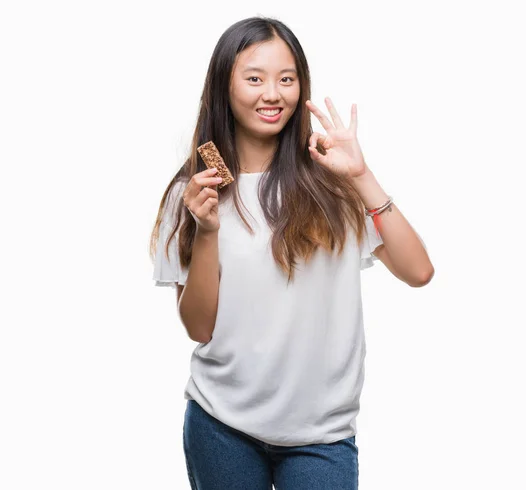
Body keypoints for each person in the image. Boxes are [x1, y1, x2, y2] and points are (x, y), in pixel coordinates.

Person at [149, 16, 434, 490]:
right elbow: (199, 327)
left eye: (287, 79)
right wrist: (206, 231)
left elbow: (418, 270)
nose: (272, 93)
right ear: (224, 85)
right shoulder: (192, 193)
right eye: (254, 78)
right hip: (222, 426)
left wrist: (362, 177)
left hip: (321, 436)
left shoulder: (333, 181)